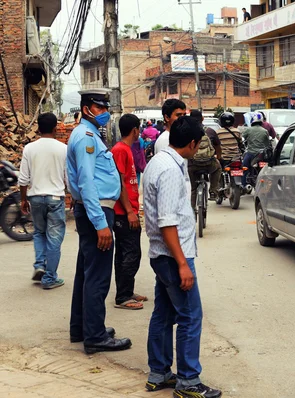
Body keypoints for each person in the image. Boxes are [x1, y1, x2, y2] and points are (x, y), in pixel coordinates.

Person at [142, 116, 221, 398]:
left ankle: (159, 372)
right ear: (192, 143)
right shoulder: (170, 170)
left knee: (163, 313)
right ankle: (188, 381)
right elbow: (167, 222)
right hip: (172, 256)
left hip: (162, 255)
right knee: (190, 316)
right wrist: (182, 264)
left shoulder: (159, 161)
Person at [67, 88, 132, 354]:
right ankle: (95, 336)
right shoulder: (86, 138)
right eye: (99, 107)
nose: (104, 112)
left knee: (86, 272)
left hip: (92, 211)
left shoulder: (88, 134)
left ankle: (82, 328)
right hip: (97, 212)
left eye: (106, 107)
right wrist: (100, 224)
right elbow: (86, 182)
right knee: (98, 277)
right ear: (86, 109)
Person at [18, 112, 67, 289]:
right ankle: (49, 278)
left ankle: (40, 265)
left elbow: (23, 178)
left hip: (36, 197)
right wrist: (73, 197)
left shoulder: (29, 148)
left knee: (39, 233)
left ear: (38, 129)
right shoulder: (63, 149)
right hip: (55, 198)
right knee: (54, 239)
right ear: (56, 128)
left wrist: (24, 199)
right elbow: (68, 177)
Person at [111, 114, 145, 310]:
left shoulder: (126, 149)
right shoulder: (120, 151)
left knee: (127, 252)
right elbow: (119, 183)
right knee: (131, 253)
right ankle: (123, 296)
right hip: (123, 212)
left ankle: (127, 291)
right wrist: (130, 212)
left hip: (128, 209)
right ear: (134, 130)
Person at [188, 110, 222, 203]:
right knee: (218, 168)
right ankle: (213, 191)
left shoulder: (186, 131)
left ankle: (193, 212)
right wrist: (218, 157)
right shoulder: (209, 130)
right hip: (209, 163)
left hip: (193, 165)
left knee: (194, 189)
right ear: (202, 119)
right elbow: (218, 146)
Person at [242, 113, 270, 190]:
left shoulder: (248, 130)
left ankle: (243, 185)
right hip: (261, 155)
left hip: (251, 153)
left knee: (244, 168)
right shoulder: (265, 131)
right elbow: (267, 144)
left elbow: (242, 139)